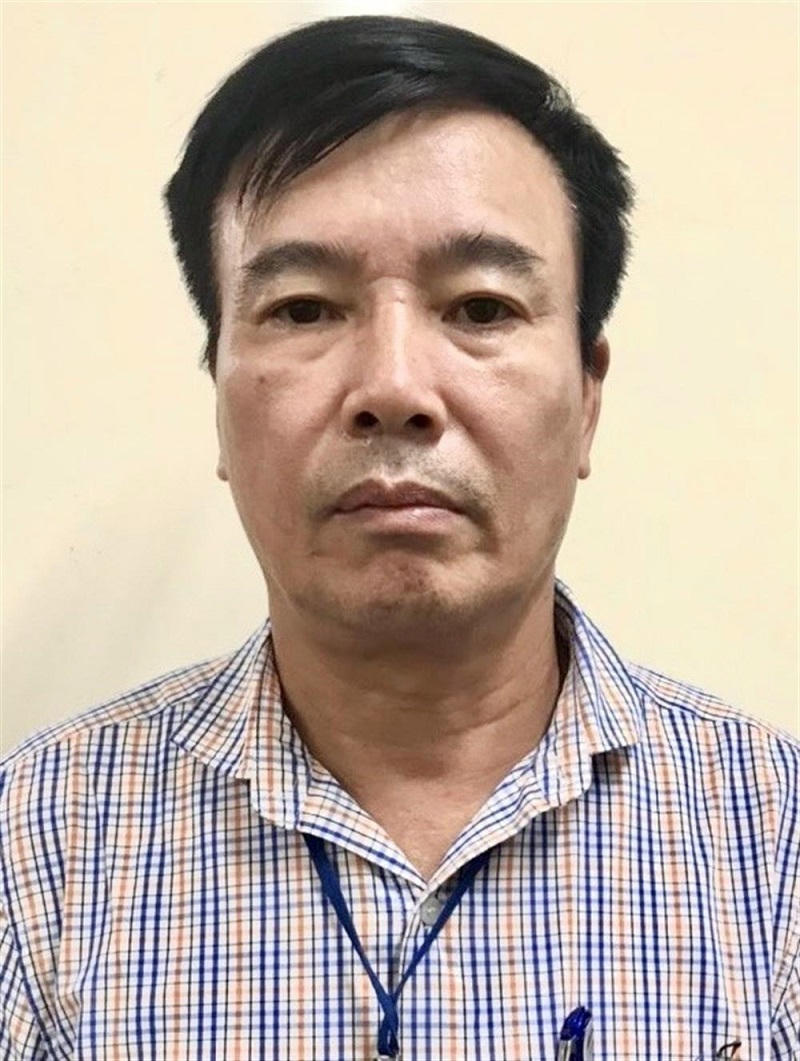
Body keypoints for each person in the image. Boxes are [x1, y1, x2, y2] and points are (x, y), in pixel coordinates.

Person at [1, 14, 797, 1059]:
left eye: (480, 307)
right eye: (302, 309)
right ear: (219, 400)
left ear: (588, 398)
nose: (391, 385)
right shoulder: (37, 849)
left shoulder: (771, 846)